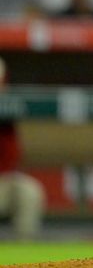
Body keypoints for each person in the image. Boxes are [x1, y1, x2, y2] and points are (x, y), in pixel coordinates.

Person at [0, 58, 46, 240]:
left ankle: (23, 253)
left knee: (29, 192)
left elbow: (14, 154)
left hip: (5, 180)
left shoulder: (7, 107)